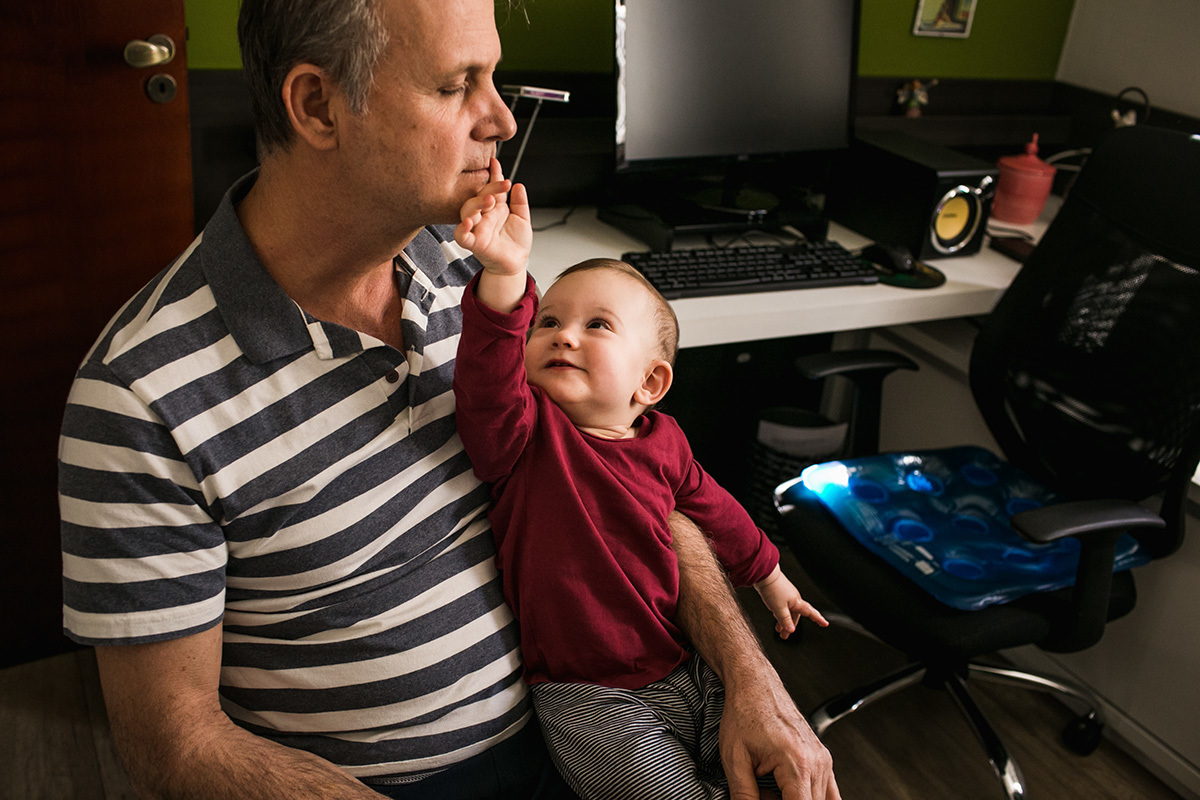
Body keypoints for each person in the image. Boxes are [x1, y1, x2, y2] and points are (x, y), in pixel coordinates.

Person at [56, 0, 840, 798]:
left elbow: (630, 478)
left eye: (495, 77)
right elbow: (173, 743)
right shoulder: (139, 398)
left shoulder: (476, 273)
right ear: (318, 106)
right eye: (458, 84)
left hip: (601, 717)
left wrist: (749, 676)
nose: (500, 117)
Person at [451, 160, 829, 799]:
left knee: (766, 781)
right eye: (549, 323)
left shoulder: (666, 443)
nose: (564, 334)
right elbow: (484, 378)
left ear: (649, 383)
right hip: (591, 698)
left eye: (597, 325)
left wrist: (771, 580)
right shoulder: (523, 433)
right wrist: (507, 277)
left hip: (685, 665)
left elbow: (719, 514)